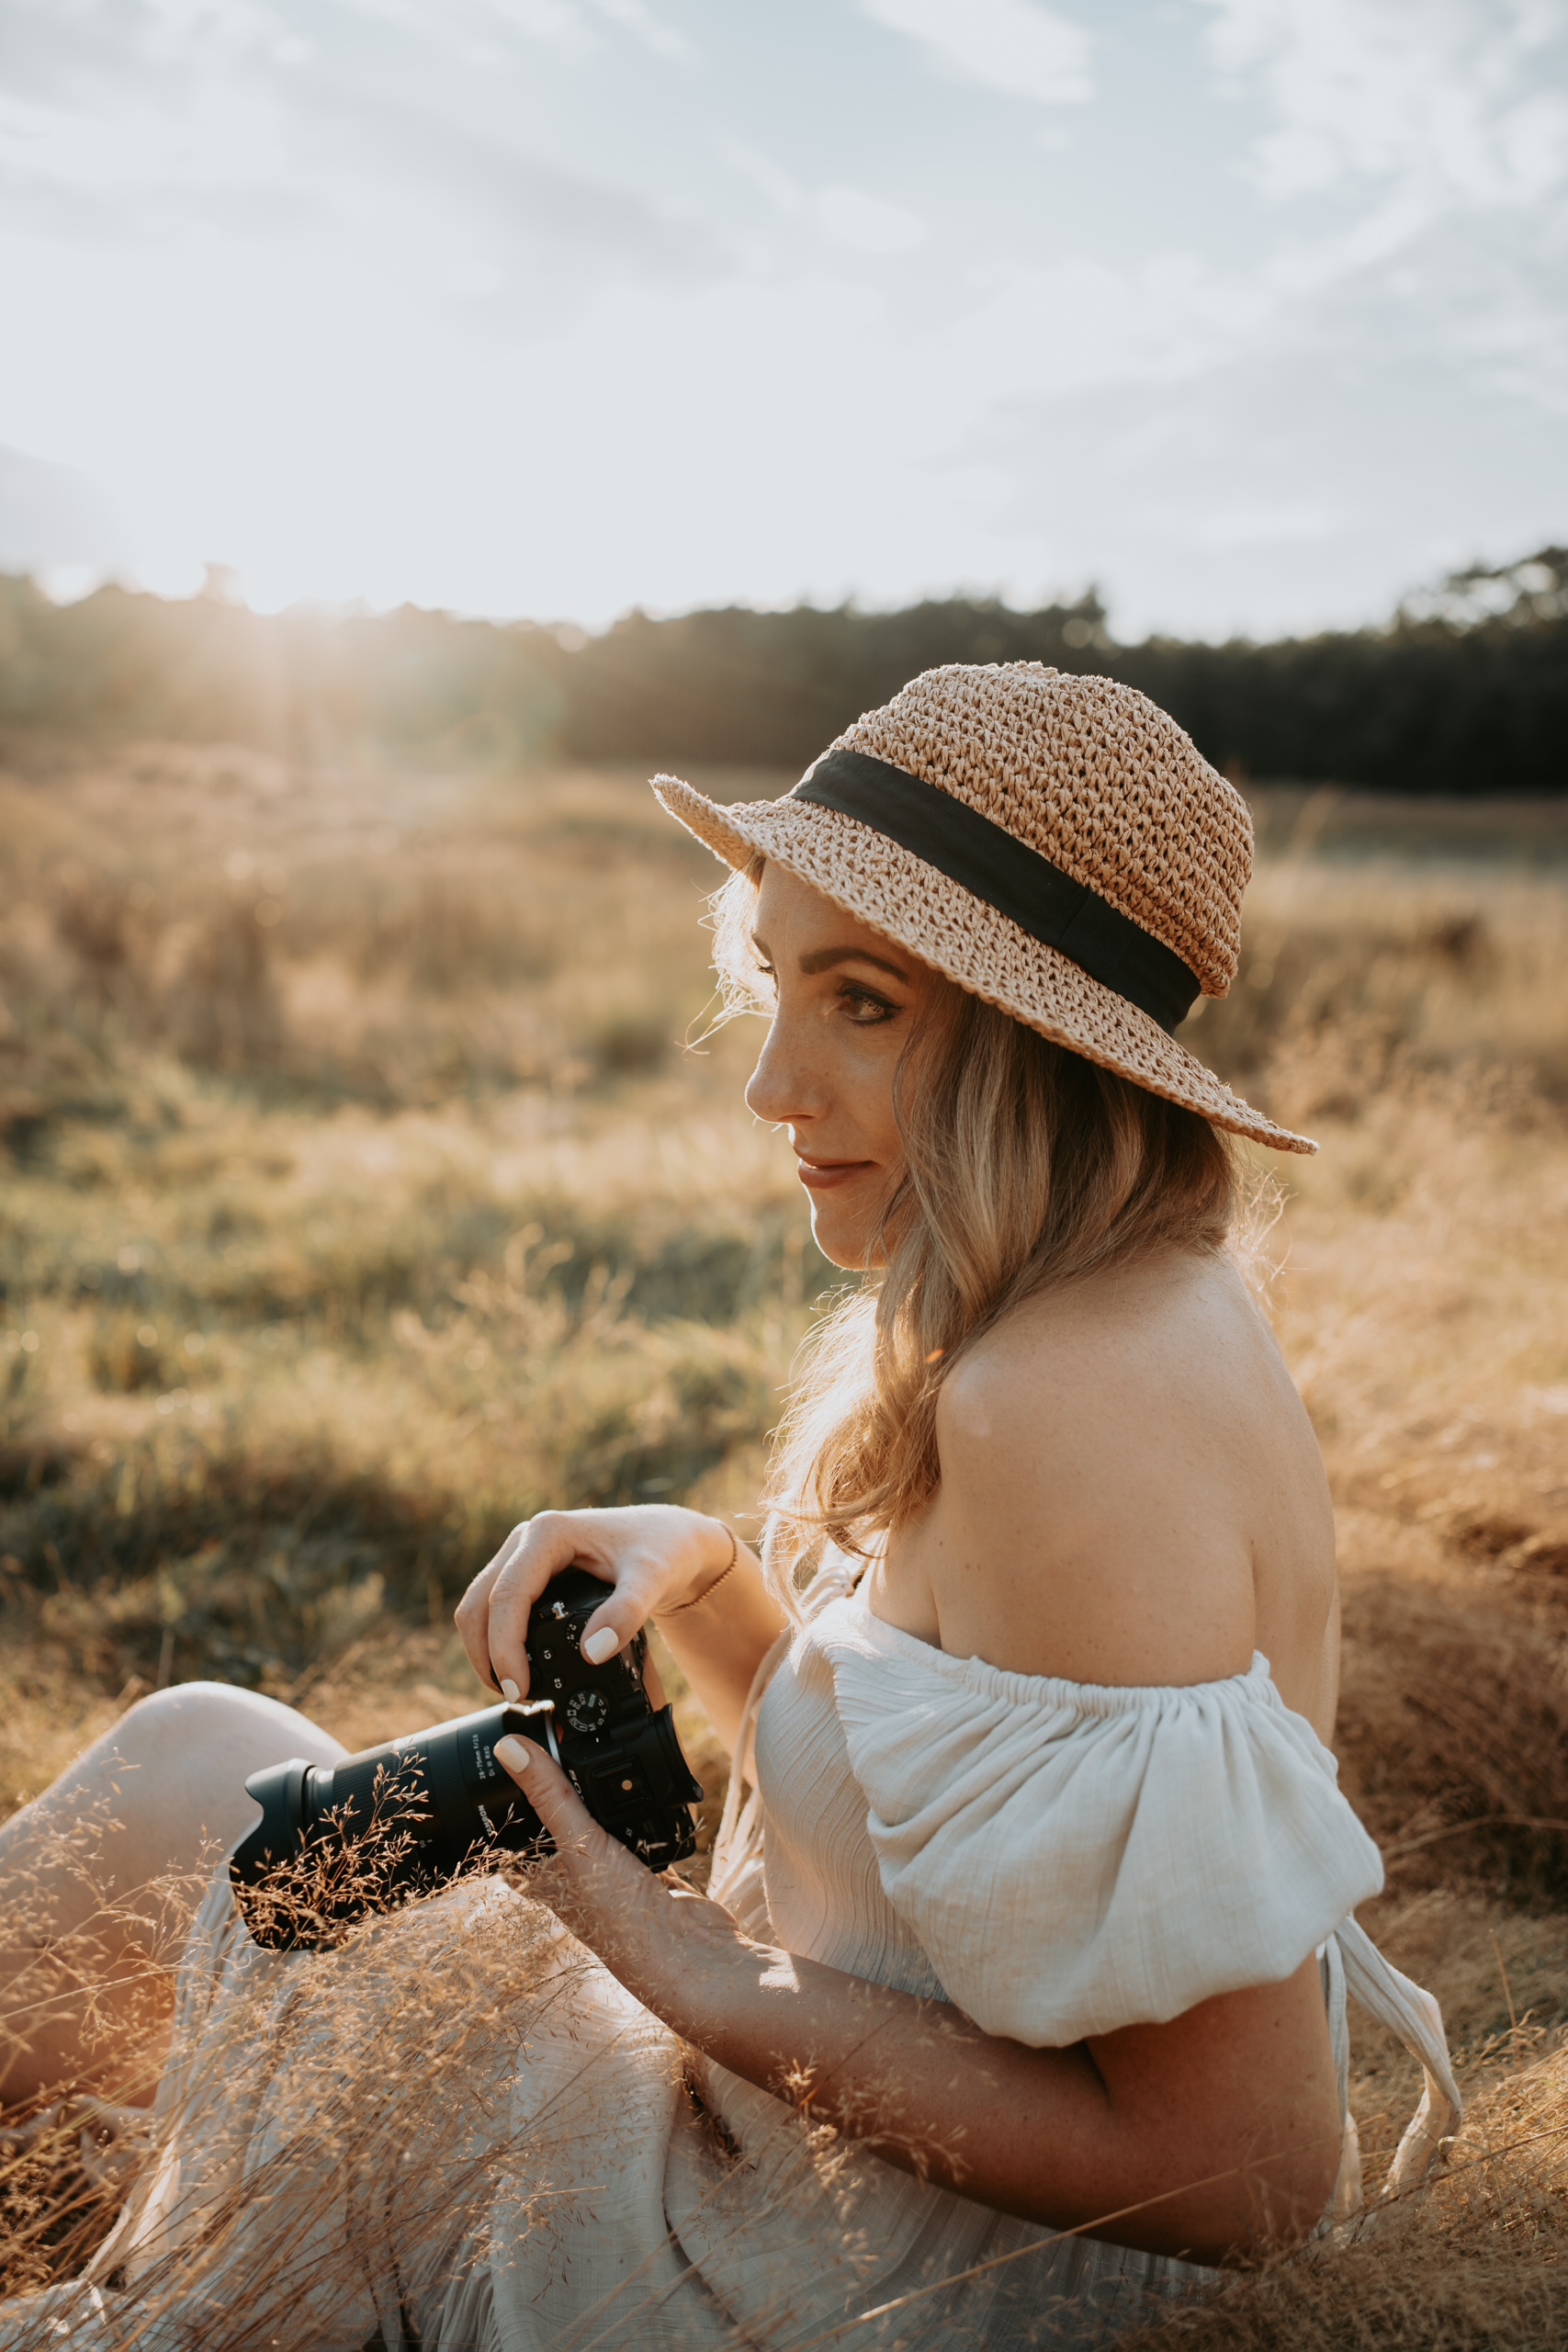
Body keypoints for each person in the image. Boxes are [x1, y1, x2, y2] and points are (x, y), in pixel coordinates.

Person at [0, 665, 1461, 2352]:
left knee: (210, 1780)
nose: (771, 1083)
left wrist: (680, 1965)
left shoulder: (1069, 1407)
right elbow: (946, 1856)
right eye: (774, 982)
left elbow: (1239, 2176)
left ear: (1042, 1039)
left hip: (841, 2275)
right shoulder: (1119, 1298)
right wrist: (709, 1591)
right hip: (828, 2181)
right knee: (220, 1780)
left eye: (864, 1003)